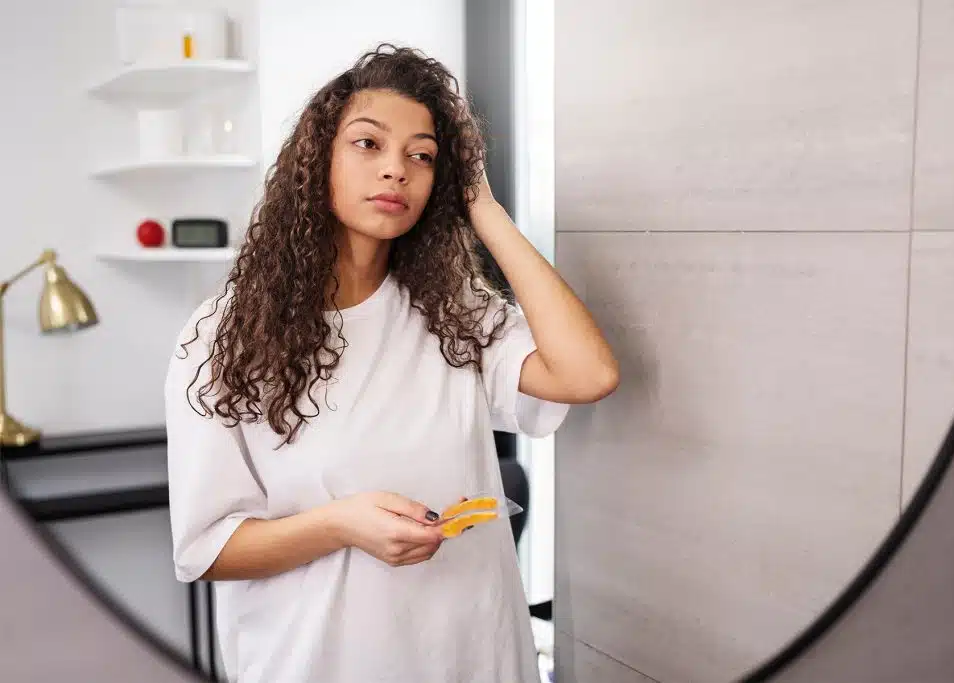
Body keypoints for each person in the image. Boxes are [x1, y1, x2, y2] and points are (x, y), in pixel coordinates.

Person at [165, 44, 619, 683]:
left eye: (422, 155)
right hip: (322, 662)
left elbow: (588, 374)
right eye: (368, 144)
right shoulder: (225, 335)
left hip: (473, 652)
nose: (396, 170)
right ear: (317, 159)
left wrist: (485, 211)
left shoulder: (453, 311)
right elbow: (206, 550)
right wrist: (340, 525)